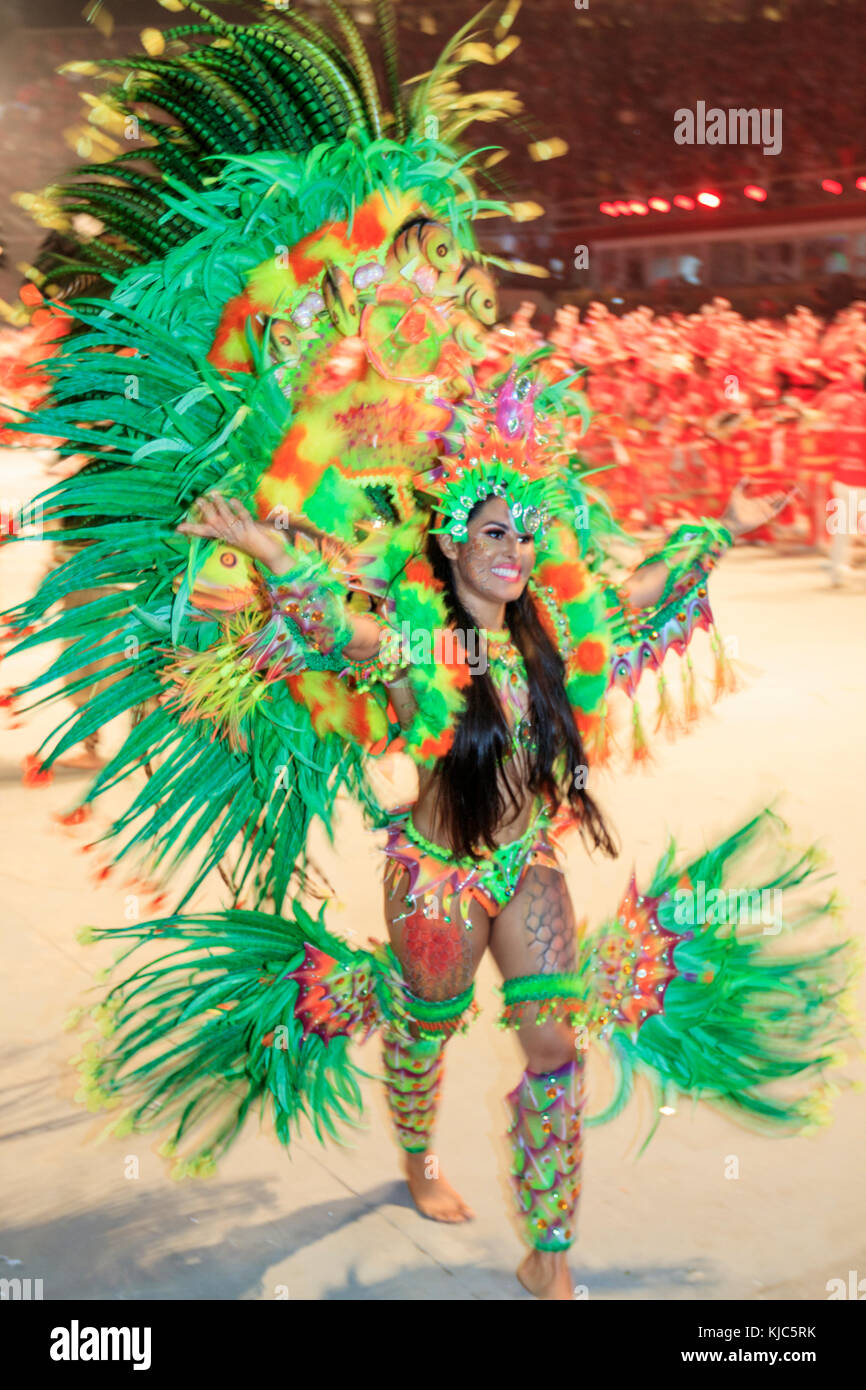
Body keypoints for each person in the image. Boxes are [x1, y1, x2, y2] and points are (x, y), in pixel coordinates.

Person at [174, 451, 796, 1300]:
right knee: (425, 1029)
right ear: (451, 540)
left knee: (556, 1045)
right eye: (496, 532)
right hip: (434, 882)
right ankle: (419, 1158)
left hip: (528, 864)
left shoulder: (548, 637)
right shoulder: (413, 641)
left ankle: (550, 1246)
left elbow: (643, 591)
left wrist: (724, 523)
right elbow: (326, 629)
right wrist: (276, 554)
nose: (517, 550)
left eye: (528, 534)